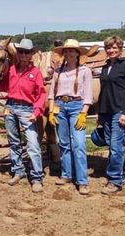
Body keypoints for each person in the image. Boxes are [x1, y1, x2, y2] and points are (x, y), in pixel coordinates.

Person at [0, 38, 46, 193]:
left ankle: (37, 177)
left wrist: (37, 111)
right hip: (10, 106)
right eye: (21, 52)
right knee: (14, 142)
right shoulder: (10, 70)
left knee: (33, 144)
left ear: (31, 54)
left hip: (27, 109)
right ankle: (19, 171)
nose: (23, 55)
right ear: (17, 53)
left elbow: (41, 94)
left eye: (27, 52)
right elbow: (2, 85)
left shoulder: (35, 73)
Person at [47, 39, 93, 195]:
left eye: (71, 51)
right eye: (66, 51)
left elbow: (88, 95)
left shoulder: (85, 71)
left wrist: (83, 113)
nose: (68, 53)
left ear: (77, 53)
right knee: (64, 143)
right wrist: (51, 111)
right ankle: (66, 174)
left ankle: (82, 180)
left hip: (76, 107)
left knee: (79, 144)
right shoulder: (58, 71)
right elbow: (52, 93)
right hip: (60, 106)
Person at [96, 35, 125, 195]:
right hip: (106, 111)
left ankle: (115, 181)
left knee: (116, 146)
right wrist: (100, 111)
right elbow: (103, 91)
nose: (111, 50)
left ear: (120, 49)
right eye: (108, 48)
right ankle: (118, 174)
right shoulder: (106, 67)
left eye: (114, 47)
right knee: (111, 144)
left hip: (120, 112)